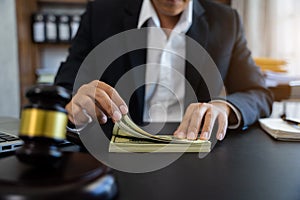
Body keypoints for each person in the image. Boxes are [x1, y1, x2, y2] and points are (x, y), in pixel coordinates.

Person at [54, 0, 273, 141]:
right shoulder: (100, 14)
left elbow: (258, 93)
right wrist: (74, 104)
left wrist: (223, 107)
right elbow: (64, 88)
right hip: (116, 153)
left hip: (199, 152)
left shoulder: (227, 21)